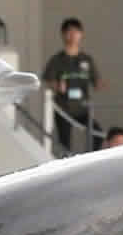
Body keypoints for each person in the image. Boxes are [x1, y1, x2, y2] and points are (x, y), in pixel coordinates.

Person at [42, 17, 102, 152]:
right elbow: (48, 79)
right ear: (63, 35)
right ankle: (68, 166)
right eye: (69, 32)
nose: (73, 35)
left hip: (82, 108)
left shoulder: (86, 59)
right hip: (64, 108)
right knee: (65, 144)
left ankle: (89, 160)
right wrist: (57, 86)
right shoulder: (57, 60)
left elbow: (96, 80)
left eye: (76, 32)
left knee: (97, 134)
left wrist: (100, 84)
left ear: (81, 34)